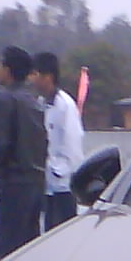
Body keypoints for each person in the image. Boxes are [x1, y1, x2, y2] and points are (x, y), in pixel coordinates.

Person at [0, 46, 48, 260]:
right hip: (36, 181)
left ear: (8, 70)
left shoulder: (7, 99)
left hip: (15, 181)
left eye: (1, 65)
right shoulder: (34, 100)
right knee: (29, 245)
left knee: (7, 246)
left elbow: (0, 141)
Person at [30, 52, 84, 230]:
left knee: (63, 230)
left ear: (48, 76)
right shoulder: (41, 102)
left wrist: (63, 172)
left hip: (64, 185)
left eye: (35, 74)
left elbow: (73, 144)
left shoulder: (65, 105)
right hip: (48, 184)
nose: (32, 79)